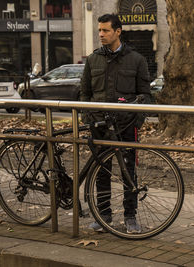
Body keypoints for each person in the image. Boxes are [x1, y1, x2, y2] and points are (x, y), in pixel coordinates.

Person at [80, 13, 151, 233]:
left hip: (126, 126)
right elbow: (84, 93)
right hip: (99, 124)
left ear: (117, 32)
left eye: (105, 30)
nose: (101, 34)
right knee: (101, 171)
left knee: (129, 171)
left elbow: (145, 95)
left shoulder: (137, 59)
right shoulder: (93, 59)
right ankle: (104, 216)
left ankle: (130, 217)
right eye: (99, 30)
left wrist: (136, 121)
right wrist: (90, 118)